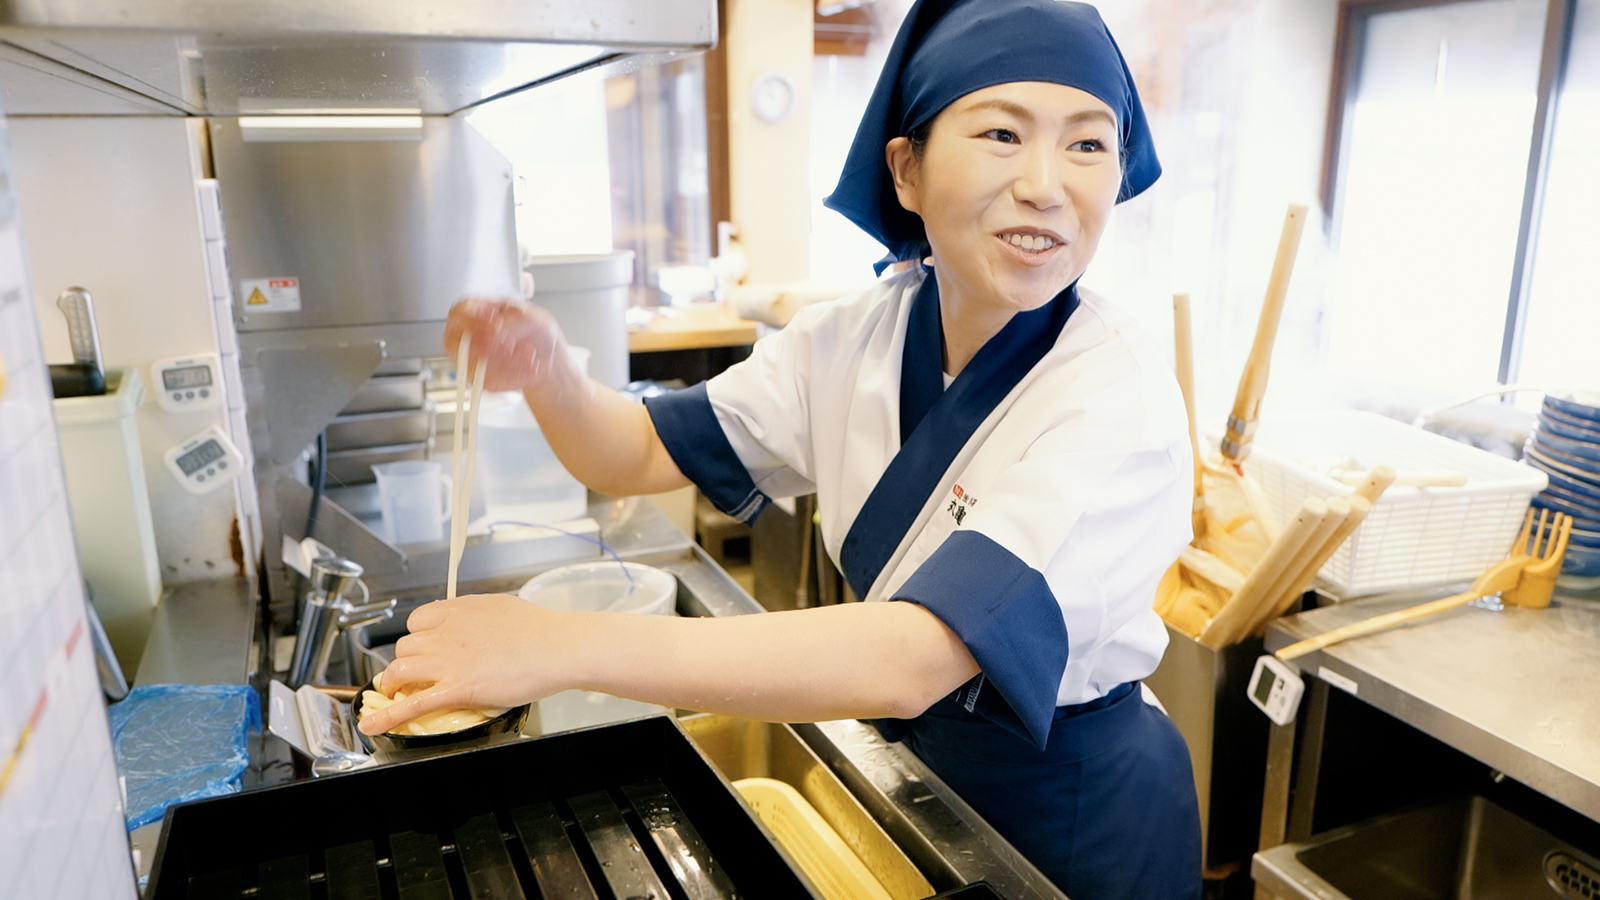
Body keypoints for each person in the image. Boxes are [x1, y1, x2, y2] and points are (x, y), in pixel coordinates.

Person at [360, 1, 1202, 896]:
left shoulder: (1117, 394)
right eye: (1001, 132)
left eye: (1087, 144)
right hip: (923, 787)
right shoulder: (854, 338)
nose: (1047, 183)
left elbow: (916, 656)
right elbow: (636, 452)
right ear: (907, 170)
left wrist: (553, 645)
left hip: (1071, 822)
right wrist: (549, 373)